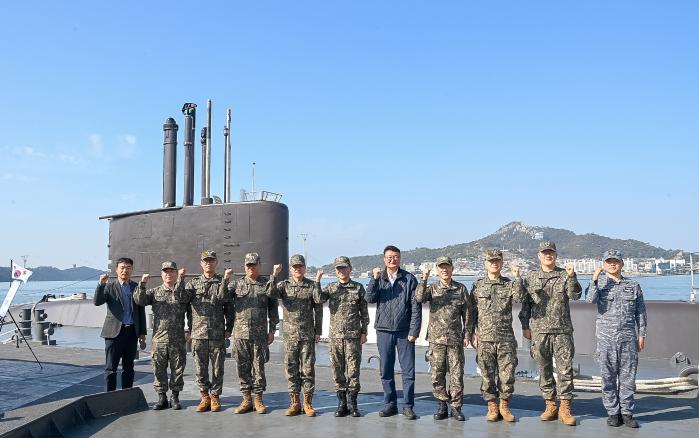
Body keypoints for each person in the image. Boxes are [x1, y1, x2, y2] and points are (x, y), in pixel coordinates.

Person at [519, 240, 582, 426]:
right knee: (544, 369)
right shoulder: (531, 277)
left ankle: (565, 407)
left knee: (565, 370)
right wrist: (525, 326)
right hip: (539, 331)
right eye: (545, 253)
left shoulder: (565, 274)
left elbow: (575, 295)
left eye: (551, 253)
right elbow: (526, 304)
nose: (548, 255)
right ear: (539, 255)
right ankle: (550, 405)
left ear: (556, 255)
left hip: (562, 331)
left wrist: (572, 277)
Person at [586, 250, 647, 428]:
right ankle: (613, 412)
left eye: (616, 261)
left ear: (621, 264)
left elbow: (641, 312)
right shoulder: (599, 283)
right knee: (608, 378)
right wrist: (594, 279)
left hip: (628, 338)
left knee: (628, 378)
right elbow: (590, 300)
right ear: (604, 265)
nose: (613, 264)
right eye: (609, 262)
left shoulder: (633, 285)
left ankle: (627, 413)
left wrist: (641, 335)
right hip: (606, 339)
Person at [366, 245, 422, 420]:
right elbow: (369, 298)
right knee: (386, 370)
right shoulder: (379, 278)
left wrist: (414, 331)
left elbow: (416, 308)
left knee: (408, 371)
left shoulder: (409, 279)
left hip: (404, 332)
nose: (392, 259)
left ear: (400, 259)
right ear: (384, 259)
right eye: (389, 257)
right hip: (383, 331)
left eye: (396, 256)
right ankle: (390, 404)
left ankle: (408, 406)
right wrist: (374, 280)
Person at [468, 249, 525, 422]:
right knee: (487, 375)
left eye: (497, 261)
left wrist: (517, 278)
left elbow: (520, 298)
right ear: (486, 263)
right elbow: (472, 311)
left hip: (505, 338)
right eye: (491, 261)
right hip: (484, 338)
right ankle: (492, 406)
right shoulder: (478, 285)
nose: (494, 263)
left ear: (501, 263)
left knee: (507, 375)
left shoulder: (508, 284)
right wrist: (470, 332)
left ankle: (504, 406)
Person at [175, 250, 233, 413]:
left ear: (216, 263)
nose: (208, 263)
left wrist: (229, 328)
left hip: (217, 334)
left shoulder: (223, 282)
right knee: (200, 368)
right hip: (199, 333)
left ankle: (215, 396)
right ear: (201, 263)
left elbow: (228, 306)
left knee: (217, 368)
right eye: (205, 261)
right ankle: (204, 396)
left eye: (211, 260)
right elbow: (181, 299)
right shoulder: (193, 283)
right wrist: (180, 279)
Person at [415, 256, 471, 421]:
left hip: (455, 340)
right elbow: (419, 298)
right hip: (436, 339)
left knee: (456, 375)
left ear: (452, 269)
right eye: (441, 267)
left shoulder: (460, 289)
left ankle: (456, 407)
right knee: (437, 375)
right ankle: (441, 404)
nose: (444, 270)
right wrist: (424, 279)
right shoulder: (432, 289)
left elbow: (467, 314)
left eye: (447, 267)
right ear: (437, 270)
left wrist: (467, 334)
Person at [315, 256, 370, 417]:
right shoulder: (331, 287)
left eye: (344, 268)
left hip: (353, 336)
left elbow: (364, 312)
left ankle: (353, 404)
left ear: (350, 269)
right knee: (337, 371)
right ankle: (342, 404)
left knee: (353, 371)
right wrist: (318, 281)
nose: (341, 271)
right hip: (336, 337)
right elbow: (318, 299)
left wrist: (364, 332)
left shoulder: (358, 288)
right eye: (338, 268)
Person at [228, 252, 281, 415]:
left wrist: (272, 330)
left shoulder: (266, 284)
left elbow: (273, 308)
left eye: (254, 265)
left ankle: (258, 399)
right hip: (241, 335)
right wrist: (226, 280)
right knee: (242, 368)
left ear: (259, 266)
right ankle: (246, 399)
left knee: (259, 369)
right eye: (248, 266)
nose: (251, 268)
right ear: (245, 267)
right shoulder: (236, 285)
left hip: (259, 335)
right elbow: (222, 299)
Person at [134, 261, 190, 410]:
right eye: (166, 271)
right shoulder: (155, 292)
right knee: (159, 370)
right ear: (161, 274)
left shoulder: (182, 292)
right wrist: (143, 283)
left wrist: (181, 281)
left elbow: (184, 300)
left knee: (177, 370)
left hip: (177, 339)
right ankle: (162, 397)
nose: (168, 274)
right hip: (159, 339)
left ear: (176, 273)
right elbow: (139, 300)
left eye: (172, 271)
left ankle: (175, 397)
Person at [273, 254, 323, 417]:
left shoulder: (311, 285)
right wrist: (274, 276)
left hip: (307, 334)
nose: (297, 269)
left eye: (300, 266)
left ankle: (308, 403)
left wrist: (318, 331)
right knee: (291, 369)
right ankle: (295, 402)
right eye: (294, 267)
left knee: (308, 370)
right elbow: (270, 294)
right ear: (290, 268)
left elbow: (318, 308)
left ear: (304, 268)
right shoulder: (283, 285)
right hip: (290, 335)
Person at [94, 257, 147, 392]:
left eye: (128, 267)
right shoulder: (109, 287)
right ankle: (109, 397)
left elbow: (140, 310)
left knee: (129, 367)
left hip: (131, 333)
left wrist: (142, 333)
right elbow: (97, 302)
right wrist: (100, 284)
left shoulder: (136, 287)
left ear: (132, 269)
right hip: (113, 333)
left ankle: (126, 395)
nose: (125, 270)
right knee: (111, 368)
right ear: (116, 270)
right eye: (122, 267)